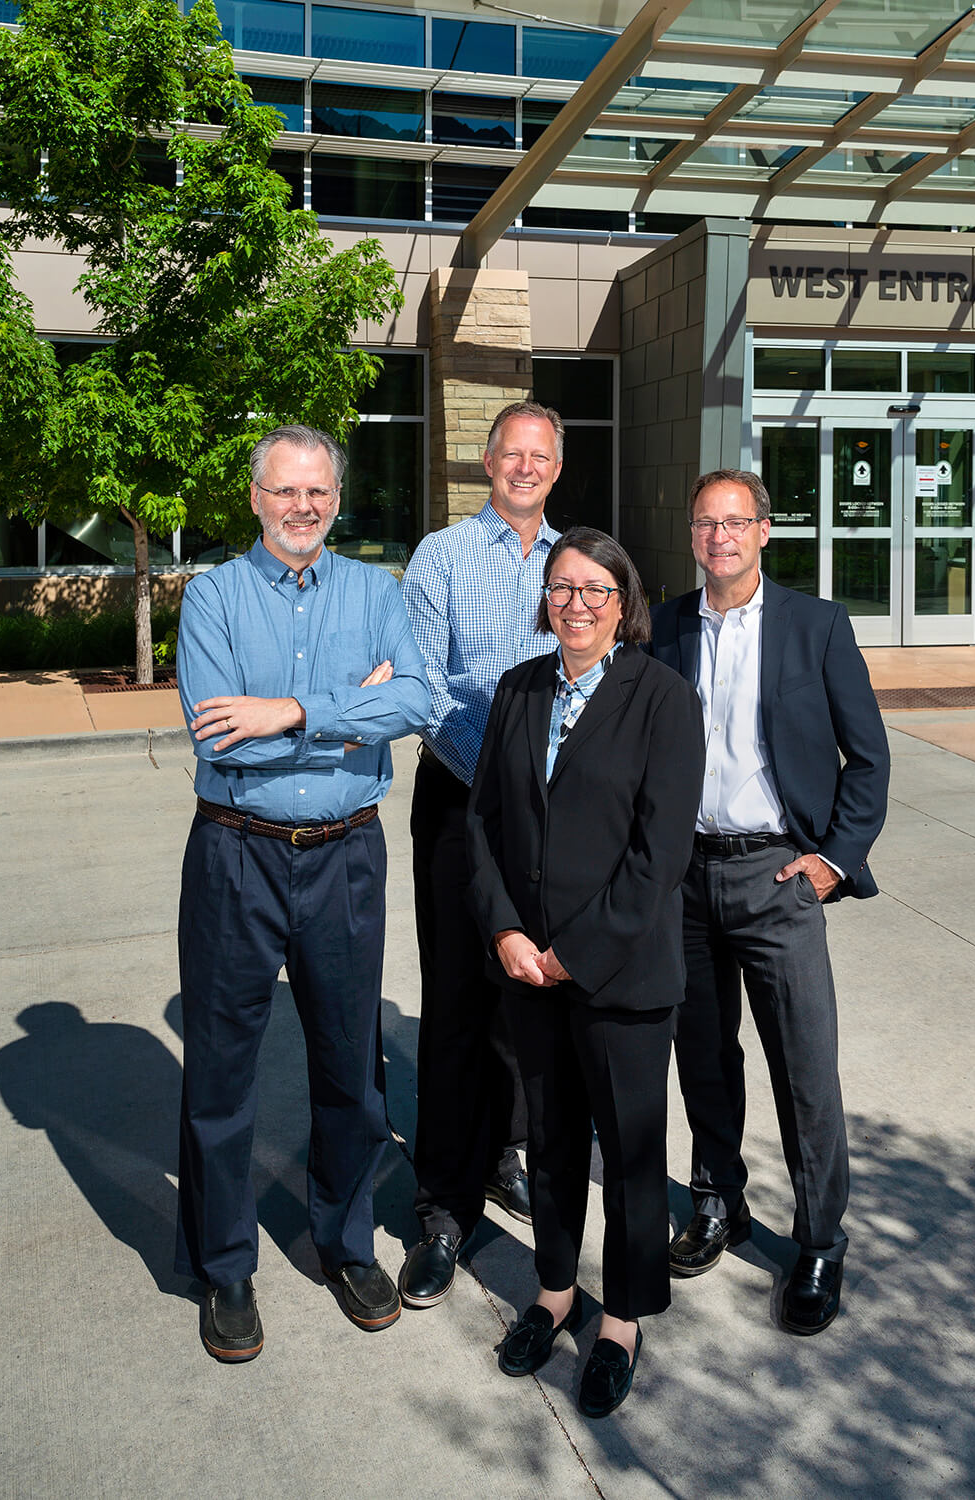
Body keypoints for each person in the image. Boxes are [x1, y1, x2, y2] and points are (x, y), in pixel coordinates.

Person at [174, 424, 429, 1360]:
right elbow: (216, 737)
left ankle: (345, 1243)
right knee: (220, 1069)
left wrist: (291, 709)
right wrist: (353, 713)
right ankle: (225, 1266)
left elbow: (416, 702)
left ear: (336, 497)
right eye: (286, 492)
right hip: (235, 854)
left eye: (318, 493)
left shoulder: (376, 590)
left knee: (349, 1066)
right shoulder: (213, 598)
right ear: (255, 498)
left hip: (346, 856)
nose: (303, 508)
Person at [467, 528, 705, 1418]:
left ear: (624, 602)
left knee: (632, 1158)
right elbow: (485, 821)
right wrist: (503, 932)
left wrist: (581, 952)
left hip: (622, 976)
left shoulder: (663, 698)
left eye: (595, 590)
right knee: (555, 1146)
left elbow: (660, 852)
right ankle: (557, 1294)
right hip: (528, 970)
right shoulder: (519, 689)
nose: (576, 604)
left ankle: (624, 1322)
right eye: (562, 587)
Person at [649, 468, 890, 1336]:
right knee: (704, 1055)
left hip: (778, 876)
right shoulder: (666, 626)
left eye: (736, 521)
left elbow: (868, 758)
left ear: (763, 532)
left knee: (804, 1067)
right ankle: (719, 1203)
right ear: (692, 535)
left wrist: (833, 860)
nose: (721, 536)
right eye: (706, 521)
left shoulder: (816, 626)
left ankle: (820, 1238)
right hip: (685, 879)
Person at [397, 400, 564, 1310]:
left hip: (553, 816)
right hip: (463, 802)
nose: (524, 468)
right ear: (487, 463)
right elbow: (422, 688)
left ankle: (507, 1153)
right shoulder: (441, 557)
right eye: (511, 455)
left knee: (527, 999)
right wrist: (499, 776)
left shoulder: (577, 561)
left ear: (555, 468)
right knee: (458, 1005)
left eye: (540, 456)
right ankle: (442, 1212)